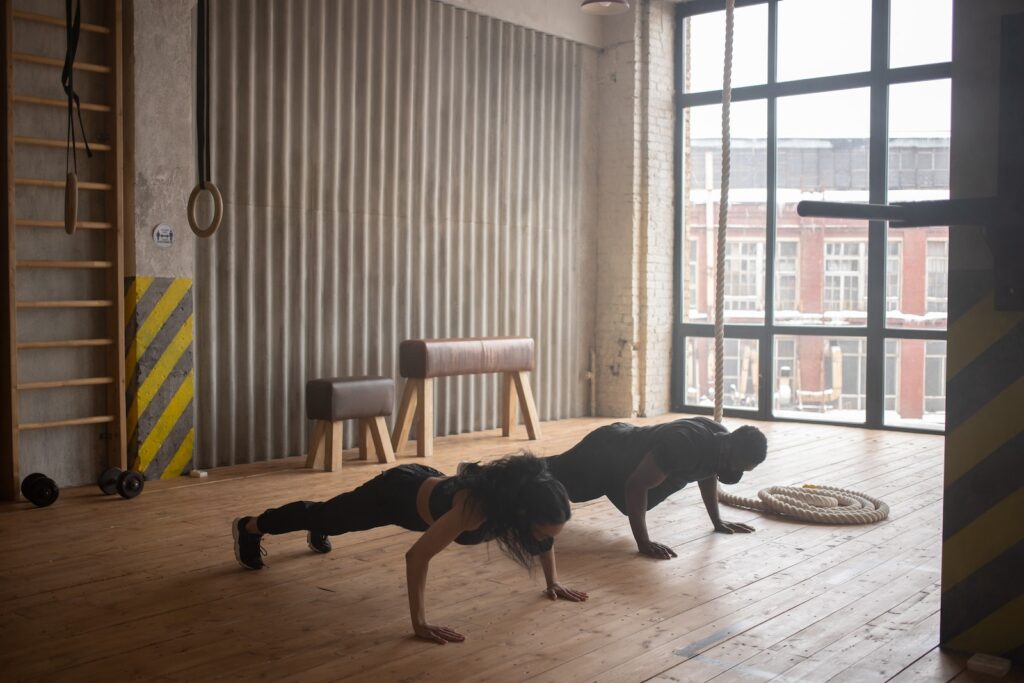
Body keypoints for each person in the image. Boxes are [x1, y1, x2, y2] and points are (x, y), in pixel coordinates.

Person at [231, 454, 588, 644]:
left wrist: (552, 582)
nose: (545, 537)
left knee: (328, 519)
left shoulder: (525, 501)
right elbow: (416, 556)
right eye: (541, 528)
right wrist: (419, 623)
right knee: (325, 516)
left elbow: (543, 539)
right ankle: (250, 525)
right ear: (522, 513)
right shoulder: (473, 510)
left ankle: (319, 528)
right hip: (393, 496)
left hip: (426, 490)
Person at [543, 417, 767, 560]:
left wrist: (717, 522)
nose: (735, 473)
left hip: (623, 449)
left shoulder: (719, 445)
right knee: (550, 480)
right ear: (729, 447)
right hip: (603, 453)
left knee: (553, 480)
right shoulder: (685, 444)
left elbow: (707, 474)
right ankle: (511, 473)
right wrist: (643, 543)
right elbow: (635, 486)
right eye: (738, 466)